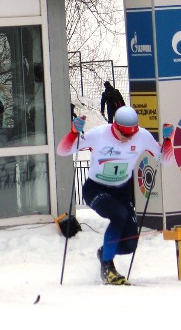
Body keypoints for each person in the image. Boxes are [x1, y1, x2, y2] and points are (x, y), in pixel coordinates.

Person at [56, 105, 171, 285]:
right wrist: (72, 132)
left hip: (122, 191)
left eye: (131, 135)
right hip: (96, 189)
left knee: (129, 245)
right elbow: (63, 150)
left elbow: (165, 159)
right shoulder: (99, 134)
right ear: (115, 126)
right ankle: (107, 268)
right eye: (124, 134)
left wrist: (168, 140)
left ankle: (104, 252)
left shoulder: (142, 136)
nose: (127, 139)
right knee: (119, 216)